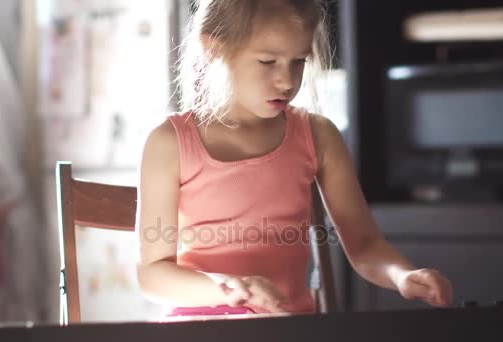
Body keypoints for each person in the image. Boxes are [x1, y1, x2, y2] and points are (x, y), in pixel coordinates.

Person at [136, 0, 453, 316]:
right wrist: (227, 287)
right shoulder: (169, 143)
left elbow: (365, 243)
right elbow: (153, 274)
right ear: (214, 48)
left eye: (298, 61)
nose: (287, 81)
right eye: (267, 61)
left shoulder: (318, 135)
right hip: (202, 327)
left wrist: (402, 275)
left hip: (291, 328)